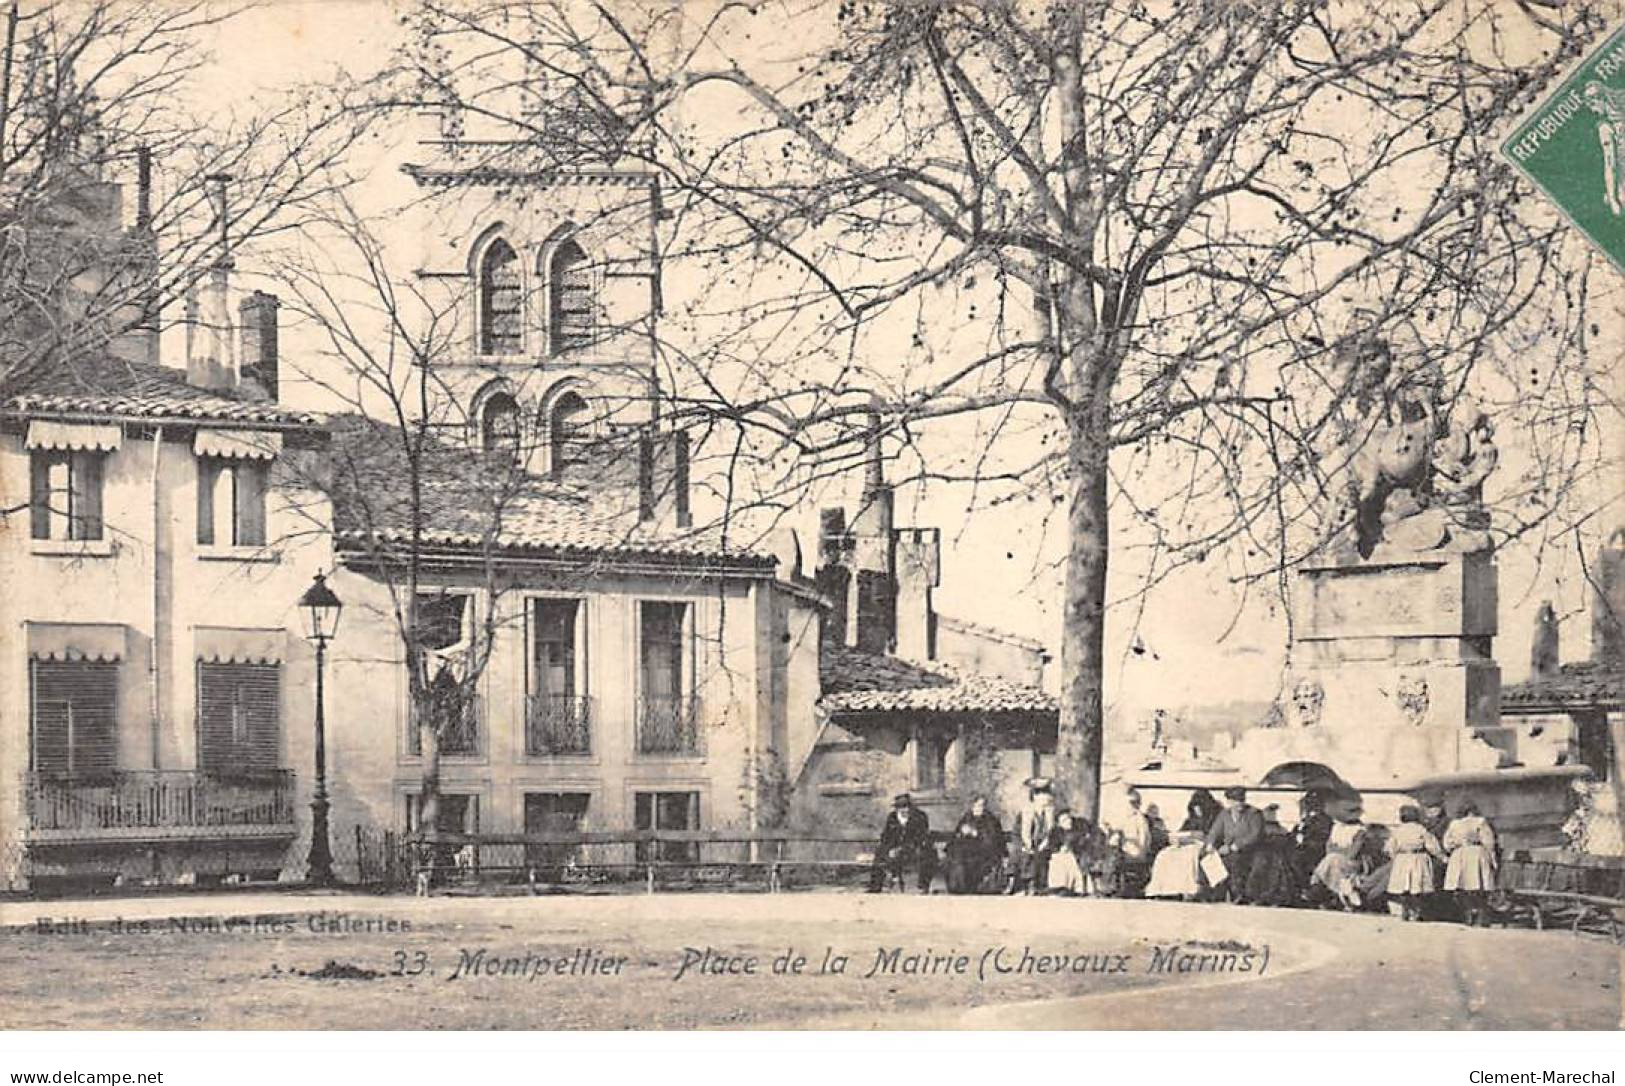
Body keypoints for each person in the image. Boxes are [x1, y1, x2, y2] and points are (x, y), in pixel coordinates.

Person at [1205, 786, 1266, 903]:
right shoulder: (1224, 814)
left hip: (1248, 850)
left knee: (1236, 861)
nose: (1239, 804)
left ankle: (1238, 894)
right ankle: (1215, 893)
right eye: (1235, 801)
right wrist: (1210, 844)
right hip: (1227, 848)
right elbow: (1215, 831)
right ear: (1229, 801)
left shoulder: (1254, 814)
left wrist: (1235, 846)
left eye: (1241, 800)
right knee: (1209, 859)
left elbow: (1255, 835)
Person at [1443, 799, 1498, 926]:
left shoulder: (1454, 824)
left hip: (1460, 854)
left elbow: (1447, 843)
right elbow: (1488, 841)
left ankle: (1469, 913)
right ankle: (1479, 914)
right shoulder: (1480, 822)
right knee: (1478, 884)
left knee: (1462, 885)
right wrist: (1492, 857)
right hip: (1476, 853)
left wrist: (1455, 846)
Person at [1386, 805, 1445, 921]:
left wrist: (1395, 858)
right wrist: (1441, 856)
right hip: (1417, 858)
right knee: (1417, 886)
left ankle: (1406, 911)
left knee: (1404, 886)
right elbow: (1431, 845)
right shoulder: (1421, 830)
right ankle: (1416, 911)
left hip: (1402, 858)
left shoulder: (1398, 830)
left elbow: (1391, 847)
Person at [868, 793, 936, 894]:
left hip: (913, 848)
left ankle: (923, 885)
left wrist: (902, 849)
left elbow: (920, 837)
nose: (904, 810)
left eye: (906, 807)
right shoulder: (892, 818)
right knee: (880, 854)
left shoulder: (920, 817)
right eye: (900, 808)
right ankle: (875, 886)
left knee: (928, 855)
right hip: (894, 848)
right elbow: (886, 836)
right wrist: (889, 849)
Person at [1311, 801, 1368, 910]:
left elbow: (1353, 853)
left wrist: (1337, 850)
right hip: (1334, 861)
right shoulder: (1336, 827)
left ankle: (1317, 885)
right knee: (1332, 860)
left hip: (1352, 863)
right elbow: (1328, 847)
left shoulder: (1360, 831)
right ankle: (1346, 893)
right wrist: (1340, 850)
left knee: (1332, 859)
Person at [945, 795, 1006, 894]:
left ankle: (968, 886)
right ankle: (958, 886)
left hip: (984, 853)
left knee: (970, 860)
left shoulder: (991, 820)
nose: (979, 808)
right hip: (967, 851)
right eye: (976, 806)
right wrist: (961, 833)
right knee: (956, 856)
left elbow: (994, 840)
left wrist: (976, 834)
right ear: (972, 806)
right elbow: (955, 837)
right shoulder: (967, 817)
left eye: (981, 806)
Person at [1243, 804, 1300, 907]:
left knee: (1278, 863)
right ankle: (1261, 895)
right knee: (1264, 863)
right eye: (1269, 813)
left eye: (1273, 813)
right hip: (1259, 853)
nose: (1272, 815)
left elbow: (1286, 839)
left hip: (1276, 854)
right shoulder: (1257, 826)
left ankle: (1274, 895)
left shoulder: (1279, 828)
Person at [1012, 778, 1057, 895]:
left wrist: (1045, 844)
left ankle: (1040, 886)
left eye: (1046, 795)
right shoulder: (1025, 813)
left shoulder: (1050, 814)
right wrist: (1025, 845)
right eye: (1041, 795)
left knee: (1044, 855)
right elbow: (1018, 833)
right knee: (1026, 854)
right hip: (1025, 844)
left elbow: (1052, 833)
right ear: (1035, 797)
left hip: (1045, 845)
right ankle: (1026, 885)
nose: (1045, 798)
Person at [1293, 789, 1334, 895]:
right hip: (1301, 849)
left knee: (1298, 859)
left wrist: (1304, 841)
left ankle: (1306, 891)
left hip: (1314, 851)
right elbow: (1294, 834)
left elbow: (1322, 838)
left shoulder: (1323, 820)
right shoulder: (1305, 819)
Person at [1118, 789, 1154, 898]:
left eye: (1131, 803)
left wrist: (1140, 851)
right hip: (1124, 851)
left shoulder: (1139, 819)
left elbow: (1144, 839)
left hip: (1135, 854)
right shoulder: (1125, 818)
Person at [1044, 810, 1088, 895]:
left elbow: (1080, 845)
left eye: (1069, 819)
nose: (1068, 821)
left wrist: (1073, 848)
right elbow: (1051, 846)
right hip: (1058, 857)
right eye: (1064, 820)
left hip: (1073, 856)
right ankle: (1059, 886)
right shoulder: (1055, 832)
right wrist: (1059, 849)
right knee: (1059, 861)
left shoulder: (1076, 832)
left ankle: (1075, 887)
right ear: (1059, 823)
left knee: (1072, 862)